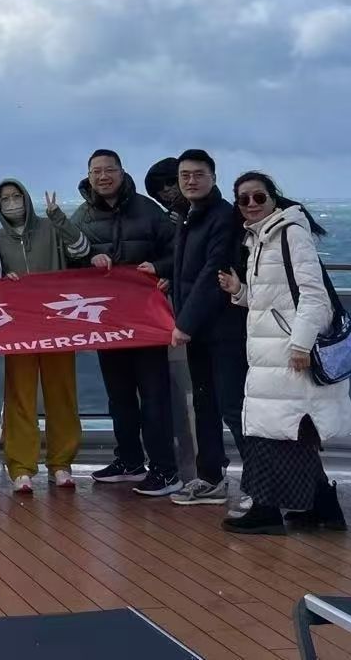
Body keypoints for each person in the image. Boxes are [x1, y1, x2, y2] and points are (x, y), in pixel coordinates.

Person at [218, 173, 351, 534]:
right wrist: (240, 291)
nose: (251, 204)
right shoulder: (258, 238)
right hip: (269, 352)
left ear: (273, 198)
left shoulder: (290, 231)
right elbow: (271, 301)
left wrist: (300, 344)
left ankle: (266, 510)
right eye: (243, 199)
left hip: (287, 353)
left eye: (258, 197)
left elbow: (315, 296)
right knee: (292, 432)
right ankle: (321, 508)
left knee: (273, 434)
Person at [68, 150, 181, 497]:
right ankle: (129, 460)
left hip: (147, 321)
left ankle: (165, 469)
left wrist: (161, 272)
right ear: (88, 176)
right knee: (118, 397)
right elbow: (69, 263)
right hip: (107, 321)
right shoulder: (81, 217)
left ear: (121, 172)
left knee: (154, 396)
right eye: (96, 171)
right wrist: (88, 259)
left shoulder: (150, 211)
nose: (103, 176)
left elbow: (178, 253)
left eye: (109, 170)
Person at [0, 180, 91, 492]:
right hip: (18, 330)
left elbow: (82, 250)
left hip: (57, 327)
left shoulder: (51, 227)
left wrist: (59, 217)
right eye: (5, 199)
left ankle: (61, 463)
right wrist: (3, 280)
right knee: (19, 397)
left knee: (62, 394)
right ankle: (21, 467)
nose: (12, 203)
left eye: (16, 196)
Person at [170, 149, 250, 509]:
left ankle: (260, 482)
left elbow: (213, 272)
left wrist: (184, 323)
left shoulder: (222, 216)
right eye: (185, 175)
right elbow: (184, 271)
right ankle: (211, 478)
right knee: (205, 404)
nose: (191, 180)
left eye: (198, 174)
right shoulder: (190, 216)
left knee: (234, 406)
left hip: (224, 330)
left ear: (213, 178)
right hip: (200, 330)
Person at [145, 157, 201, 489]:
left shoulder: (209, 217)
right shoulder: (176, 220)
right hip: (175, 322)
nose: (167, 194)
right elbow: (175, 260)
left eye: (169, 185)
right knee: (178, 400)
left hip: (197, 323)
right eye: (160, 191)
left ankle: (197, 473)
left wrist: (170, 274)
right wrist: (166, 272)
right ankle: (185, 472)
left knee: (191, 401)